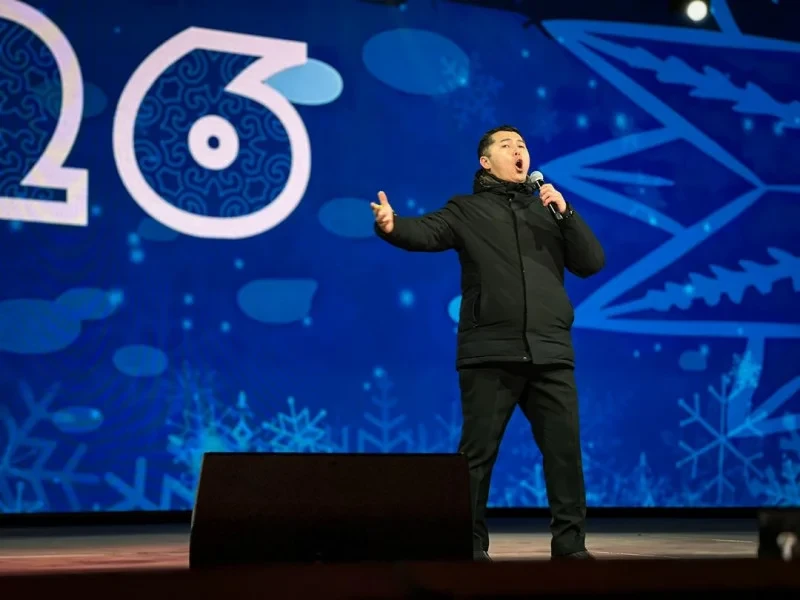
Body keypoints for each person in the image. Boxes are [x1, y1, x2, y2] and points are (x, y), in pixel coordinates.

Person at [371, 125, 605, 561]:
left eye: (522, 145)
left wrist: (565, 211)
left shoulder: (547, 210)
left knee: (565, 455)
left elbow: (591, 262)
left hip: (550, 352)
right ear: (486, 161)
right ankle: (470, 545)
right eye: (506, 145)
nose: (518, 150)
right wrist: (391, 225)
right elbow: (425, 232)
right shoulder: (467, 209)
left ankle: (570, 546)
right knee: (477, 456)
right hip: (490, 352)